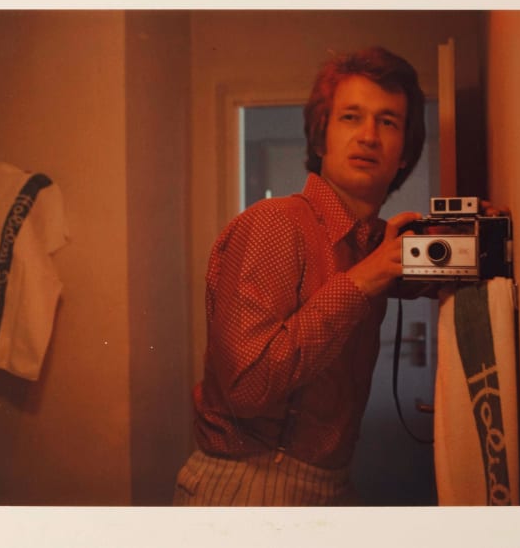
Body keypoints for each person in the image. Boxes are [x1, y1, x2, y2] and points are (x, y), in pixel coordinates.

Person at [173, 46, 427, 506]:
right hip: (251, 485)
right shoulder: (278, 223)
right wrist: (359, 283)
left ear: (405, 154)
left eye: (387, 122)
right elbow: (247, 389)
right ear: (319, 138)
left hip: (328, 484)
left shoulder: (373, 244)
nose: (369, 136)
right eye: (351, 117)